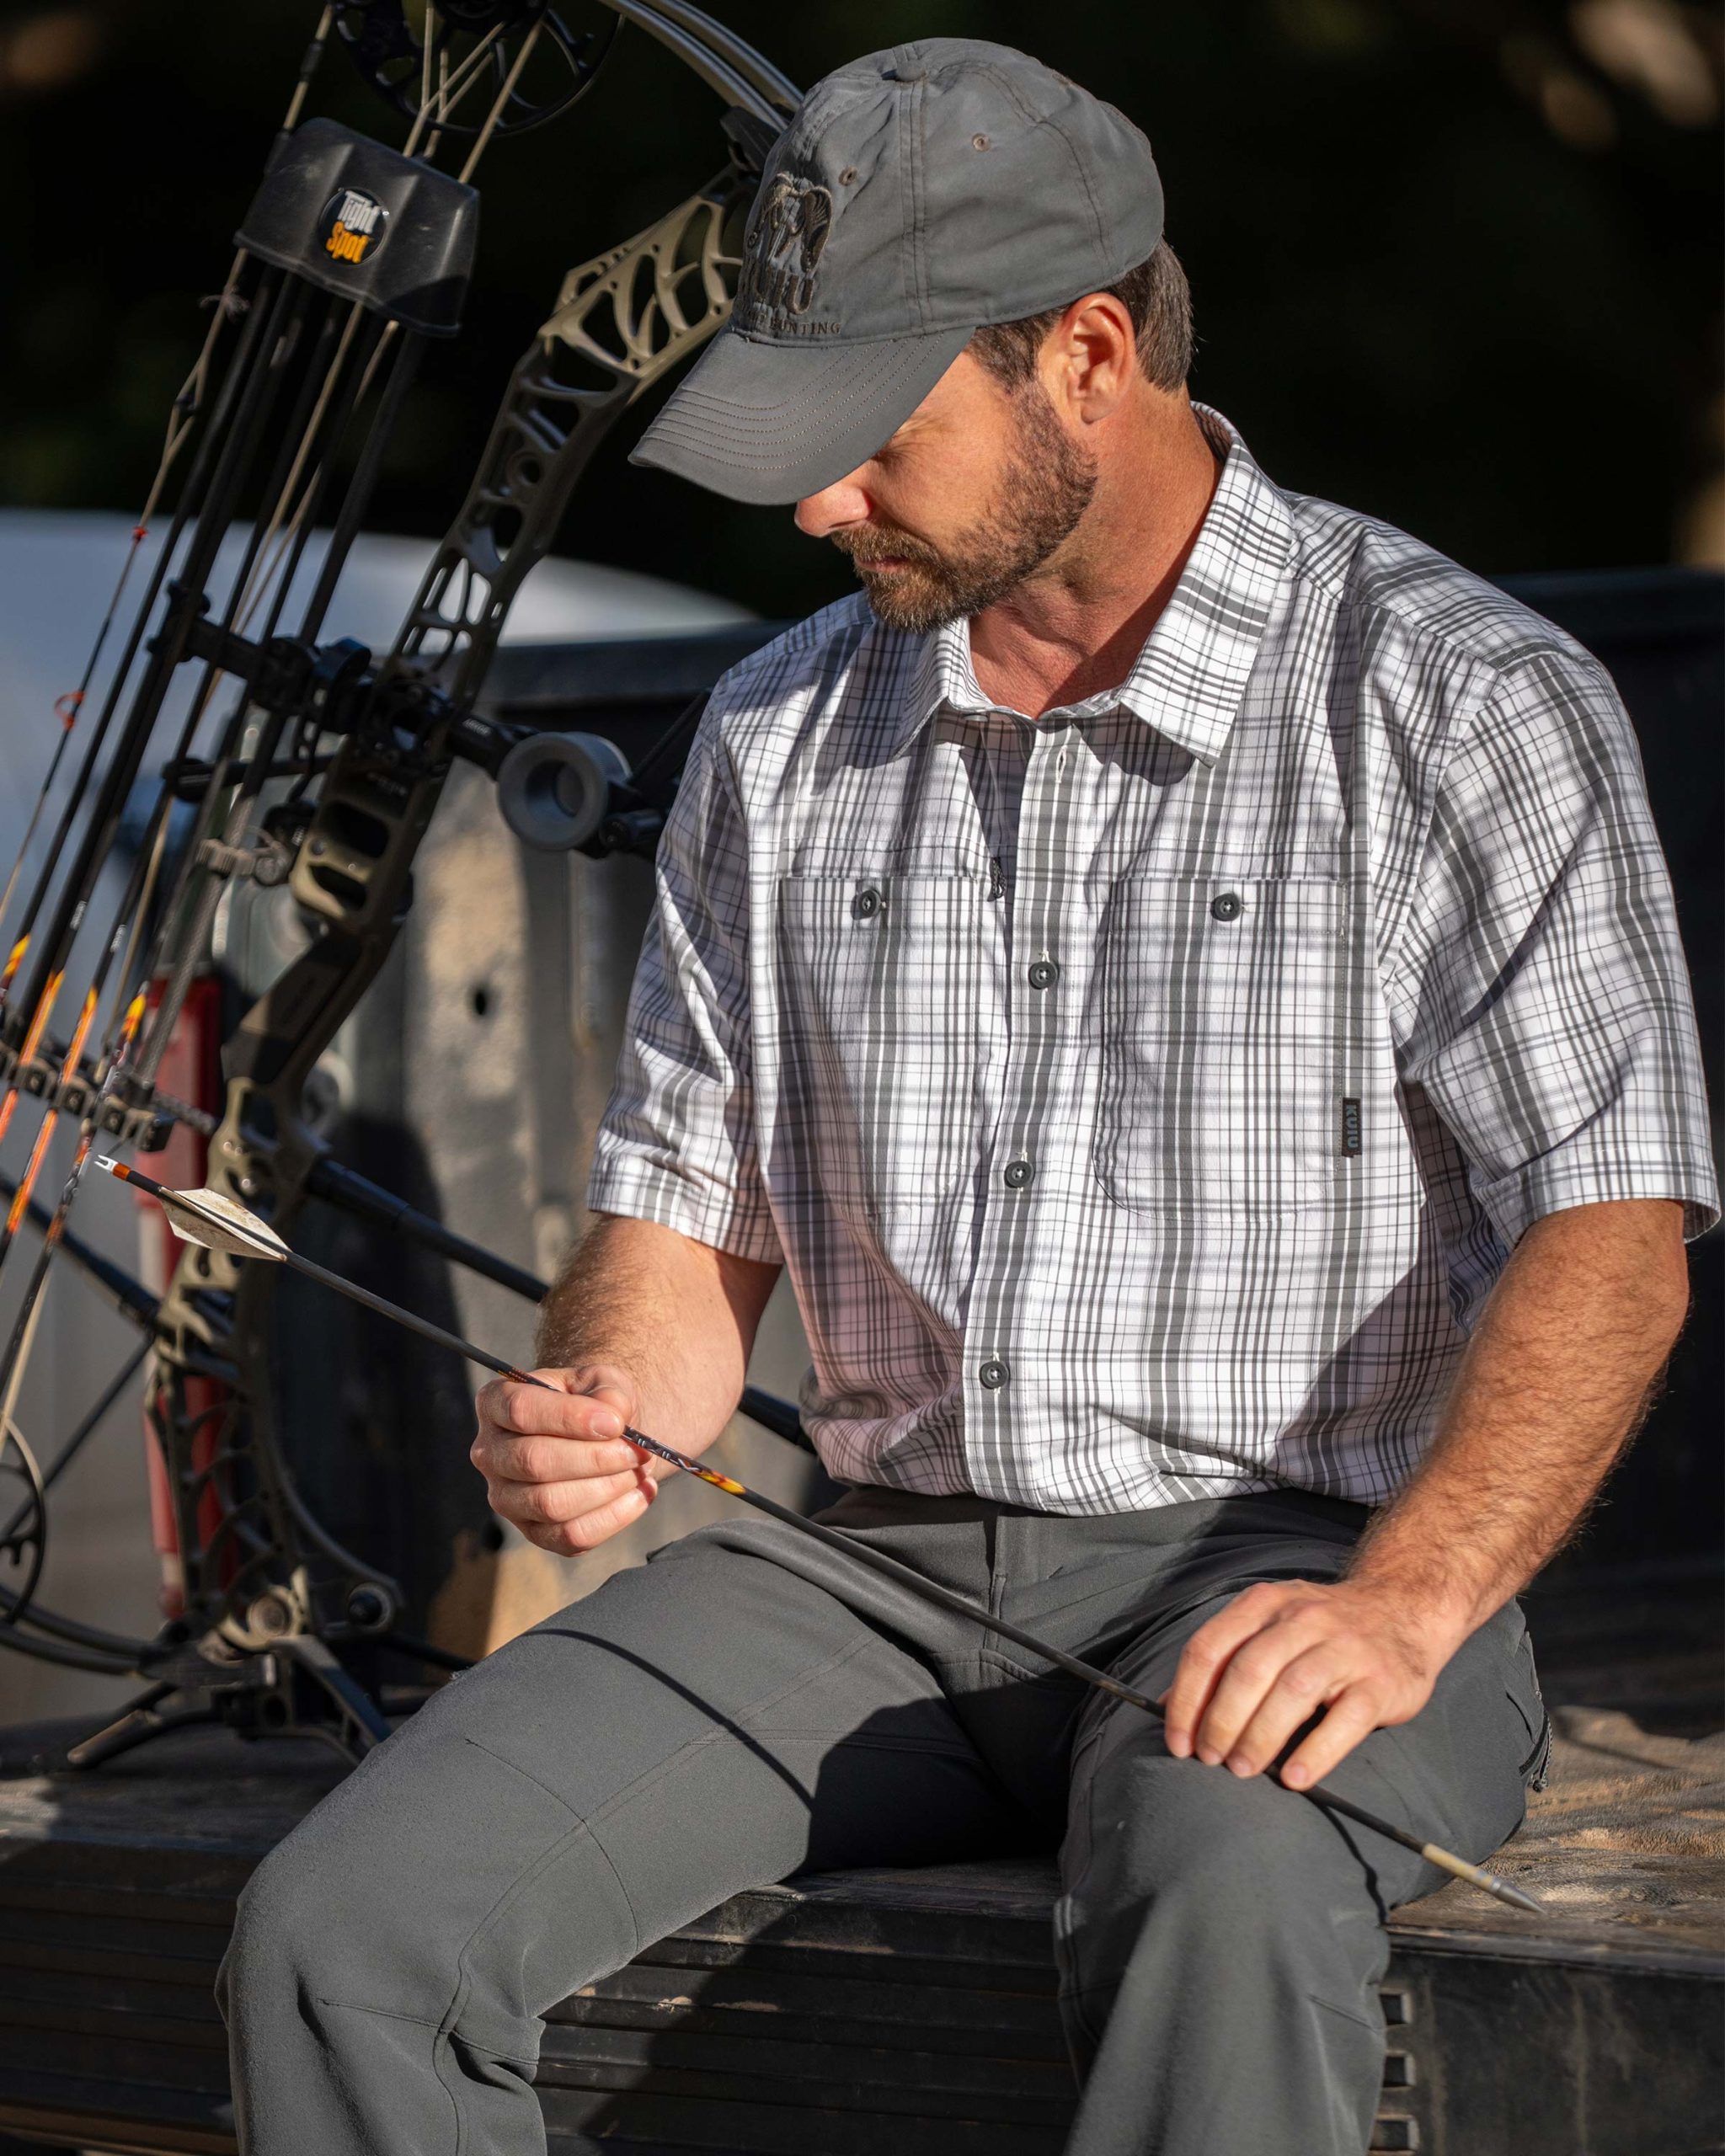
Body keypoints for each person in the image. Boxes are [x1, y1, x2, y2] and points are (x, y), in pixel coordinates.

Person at [220, 38, 1717, 2156]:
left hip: (1291, 1556)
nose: (820, 502)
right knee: (339, 1925)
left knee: (1224, 1887)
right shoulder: (769, 733)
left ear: (1086, 356)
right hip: (866, 1575)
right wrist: (597, 1405)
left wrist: (1404, 1597)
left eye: (869, 439)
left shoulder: (1460, 699)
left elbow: (1613, 1229)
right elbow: (679, 1217)